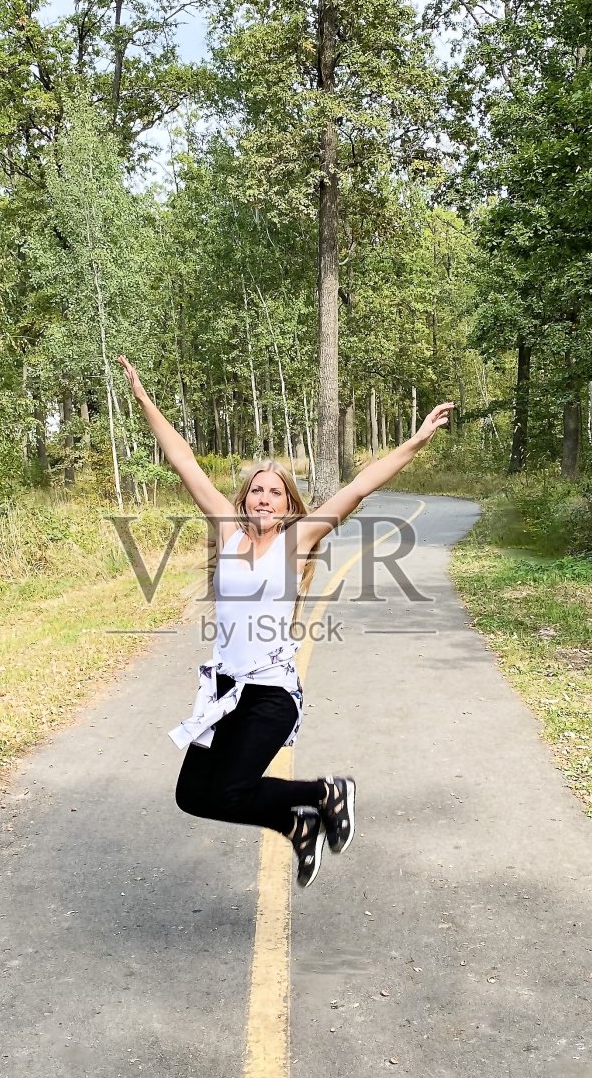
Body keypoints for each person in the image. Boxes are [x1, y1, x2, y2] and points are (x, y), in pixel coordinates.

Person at [117, 355, 453, 888]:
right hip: (224, 689)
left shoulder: (299, 540)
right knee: (192, 795)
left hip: (269, 693)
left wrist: (414, 442)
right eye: (257, 490)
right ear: (244, 499)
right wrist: (141, 398)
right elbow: (183, 460)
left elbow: (359, 487)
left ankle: (324, 793)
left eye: (275, 491)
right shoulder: (228, 531)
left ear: (288, 502)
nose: (264, 498)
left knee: (230, 789)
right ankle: (297, 824)